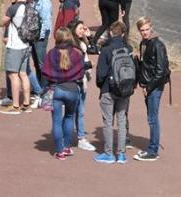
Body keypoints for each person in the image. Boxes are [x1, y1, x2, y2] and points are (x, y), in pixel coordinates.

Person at [41, 27, 86, 160]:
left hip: (56, 90)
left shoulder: (51, 54)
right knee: (70, 117)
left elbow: (45, 72)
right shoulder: (77, 54)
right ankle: (67, 147)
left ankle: (60, 151)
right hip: (72, 89)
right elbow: (81, 72)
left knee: (56, 121)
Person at [94, 21, 133, 164]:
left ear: (110, 32)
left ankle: (108, 153)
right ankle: (121, 154)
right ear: (123, 34)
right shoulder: (128, 48)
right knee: (122, 122)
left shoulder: (106, 50)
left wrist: (101, 87)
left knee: (108, 122)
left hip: (108, 90)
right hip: (125, 91)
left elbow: (100, 74)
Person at [134, 16, 170, 161]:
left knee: (153, 118)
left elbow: (160, 70)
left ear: (151, 28)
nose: (145, 32)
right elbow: (146, 66)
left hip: (154, 86)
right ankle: (152, 147)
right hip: (148, 85)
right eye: (142, 30)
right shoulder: (144, 43)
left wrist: (148, 87)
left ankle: (153, 150)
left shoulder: (158, 45)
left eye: (147, 29)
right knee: (151, 117)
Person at [0, 0, 32, 115]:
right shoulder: (30, 5)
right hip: (26, 44)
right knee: (23, 74)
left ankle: (15, 105)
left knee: (13, 75)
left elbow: (1, 22)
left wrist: (9, 7)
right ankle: (26, 104)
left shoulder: (14, 8)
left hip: (15, 45)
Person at [69, 20, 95, 152]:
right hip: (77, 81)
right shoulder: (73, 46)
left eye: (82, 28)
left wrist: (88, 36)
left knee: (78, 110)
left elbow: (94, 49)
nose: (82, 30)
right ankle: (81, 138)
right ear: (73, 30)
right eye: (80, 28)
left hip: (82, 79)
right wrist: (88, 65)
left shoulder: (81, 42)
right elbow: (75, 64)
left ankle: (77, 136)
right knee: (78, 110)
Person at [30, 0, 53, 95]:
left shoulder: (45, 3)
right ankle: (39, 85)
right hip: (35, 35)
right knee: (36, 62)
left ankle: (44, 88)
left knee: (41, 63)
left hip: (40, 37)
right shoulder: (35, 0)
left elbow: (46, 22)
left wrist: (41, 36)